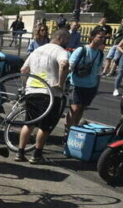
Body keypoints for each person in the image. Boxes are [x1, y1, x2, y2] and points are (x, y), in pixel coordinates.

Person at [17, 29, 70, 164]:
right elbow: (64, 65)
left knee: (29, 122)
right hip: (50, 93)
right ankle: (36, 155)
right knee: (45, 126)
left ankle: (20, 152)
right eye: (67, 39)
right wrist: (60, 84)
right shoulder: (61, 51)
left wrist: (25, 86)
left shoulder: (38, 50)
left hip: (32, 90)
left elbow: (23, 70)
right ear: (61, 39)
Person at [66, 27, 107, 130]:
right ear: (92, 37)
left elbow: (98, 72)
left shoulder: (100, 53)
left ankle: (74, 129)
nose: (102, 39)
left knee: (81, 109)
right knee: (74, 109)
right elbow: (70, 65)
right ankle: (67, 131)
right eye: (100, 37)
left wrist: (96, 87)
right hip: (76, 84)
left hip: (90, 86)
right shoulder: (81, 50)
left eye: (104, 37)